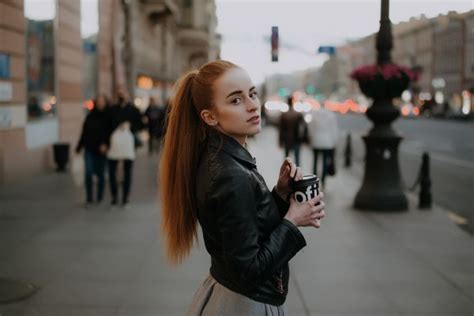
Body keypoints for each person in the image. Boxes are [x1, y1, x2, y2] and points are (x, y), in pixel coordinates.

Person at [160, 60, 326, 315]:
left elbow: (246, 225)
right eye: (235, 100)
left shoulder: (223, 157)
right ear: (210, 116)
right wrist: (292, 221)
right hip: (245, 303)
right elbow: (249, 269)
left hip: (230, 295)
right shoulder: (230, 175)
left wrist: (280, 195)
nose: (252, 105)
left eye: (252, 94)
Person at [107, 89, 145, 207]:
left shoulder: (133, 110)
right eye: (119, 94)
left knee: (127, 172)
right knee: (112, 172)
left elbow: (141, 125)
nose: (121, 95)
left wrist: (130, 125)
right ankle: (114, 197)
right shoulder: (112, 109)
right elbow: (107, 125)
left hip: (129, 145)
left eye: (123, 93)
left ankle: (125, 197)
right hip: (113, 144)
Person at [75, 95, 110, 207]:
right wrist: (79, 147)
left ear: (105, 103)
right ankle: (89, 198)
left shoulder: (108, 116)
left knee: (100, 175)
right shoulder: (90, 116)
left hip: (101, 150)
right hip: (89, 149)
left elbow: (110, 133)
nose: (100, 103)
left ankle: (99, 197)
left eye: (102, 101)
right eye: (98, 101)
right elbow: (84, 133)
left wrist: (106, 144)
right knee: (88, 173)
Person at [307, 106, 339, 186]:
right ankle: (323, 181)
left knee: (315, 161)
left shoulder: (315, 114)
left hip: (316, 140)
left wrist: (311, 139)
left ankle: (313, 181)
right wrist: (334, 142)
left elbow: (311, 128)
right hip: (327, 142)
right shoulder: (331, 115)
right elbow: (334, 130)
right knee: (325, 162)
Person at [278, 95, 307, 165]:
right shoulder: (298, 114)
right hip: (296, 138)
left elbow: (281, 129)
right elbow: (303, 127)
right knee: (297, 158)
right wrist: (304, 139)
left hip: (287, 139)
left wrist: (280, 141)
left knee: (287, 159)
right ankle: (297, 173)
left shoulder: (284, 115)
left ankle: (288, 173)